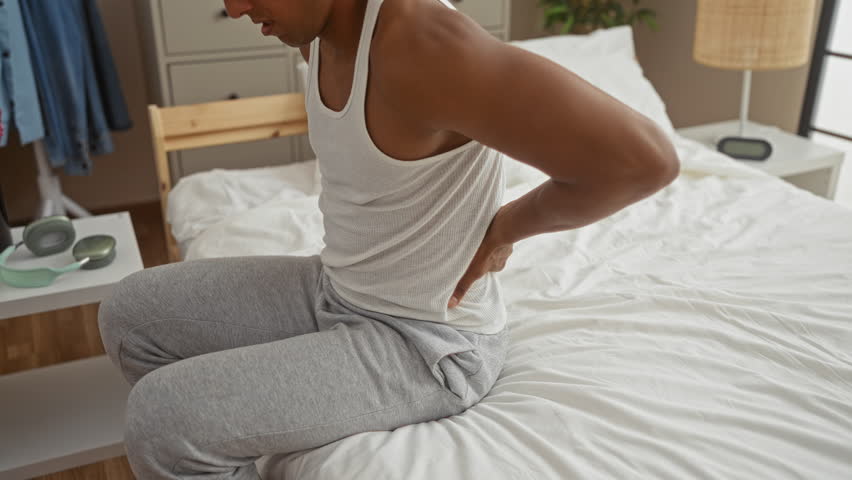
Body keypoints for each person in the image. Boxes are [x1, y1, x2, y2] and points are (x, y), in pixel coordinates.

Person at [97, 0, 680, 478]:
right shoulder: (317, 31)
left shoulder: (425, 46)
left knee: (161, 419)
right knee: (128, 313)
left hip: (426, 342)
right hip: (338, 287)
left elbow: (642, 161)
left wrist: (506, 228)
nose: (234, 7)